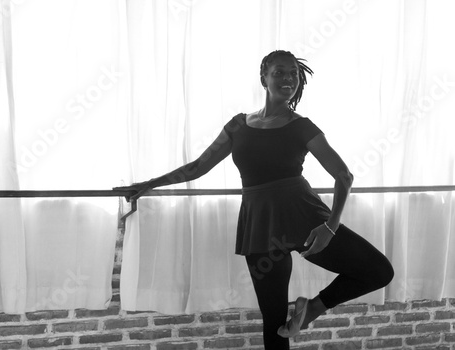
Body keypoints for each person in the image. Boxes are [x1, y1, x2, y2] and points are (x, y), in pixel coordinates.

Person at [116, 50, 394, 349]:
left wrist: (330, 226)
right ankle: (302, 314)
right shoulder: (238, 125)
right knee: (274, 321)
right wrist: (148, 184)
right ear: (264, 77)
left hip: (304, 217)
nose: (288, 79)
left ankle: (312, 308)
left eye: (293, 74)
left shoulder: (301, 126)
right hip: (259, 223)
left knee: (378, 271)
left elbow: (344, 176)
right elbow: (198, 167)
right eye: (279, 72)